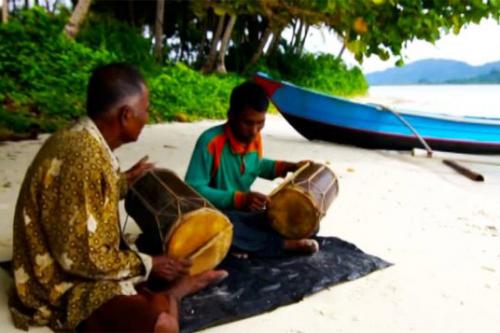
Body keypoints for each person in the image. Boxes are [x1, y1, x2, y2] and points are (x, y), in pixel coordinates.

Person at [9, 63, 226, 333]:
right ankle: (173, 295)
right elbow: (78, 260)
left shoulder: (83, 136)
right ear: (126, 115)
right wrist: (149, 263)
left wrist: (120, 182)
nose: (147, 117)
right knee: (164, 325)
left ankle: (162, 295)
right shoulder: (83, 158)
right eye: (145, 110)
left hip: (78, 262)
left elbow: (81, 196)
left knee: (146, 285)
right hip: (61, 283)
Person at [185, 81, 319, 258]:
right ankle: (283, 245)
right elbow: (192, 190)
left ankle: (250, 244)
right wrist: (240, 200)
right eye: (248, 123)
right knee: (223, 228)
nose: (254, 131)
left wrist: (287, 167)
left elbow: (255, 165)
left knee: (305, 222)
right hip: (216, 214)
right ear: (231, 115)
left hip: (245, 214)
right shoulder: (209, 142)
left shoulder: (254, 138)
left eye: (260, 123)